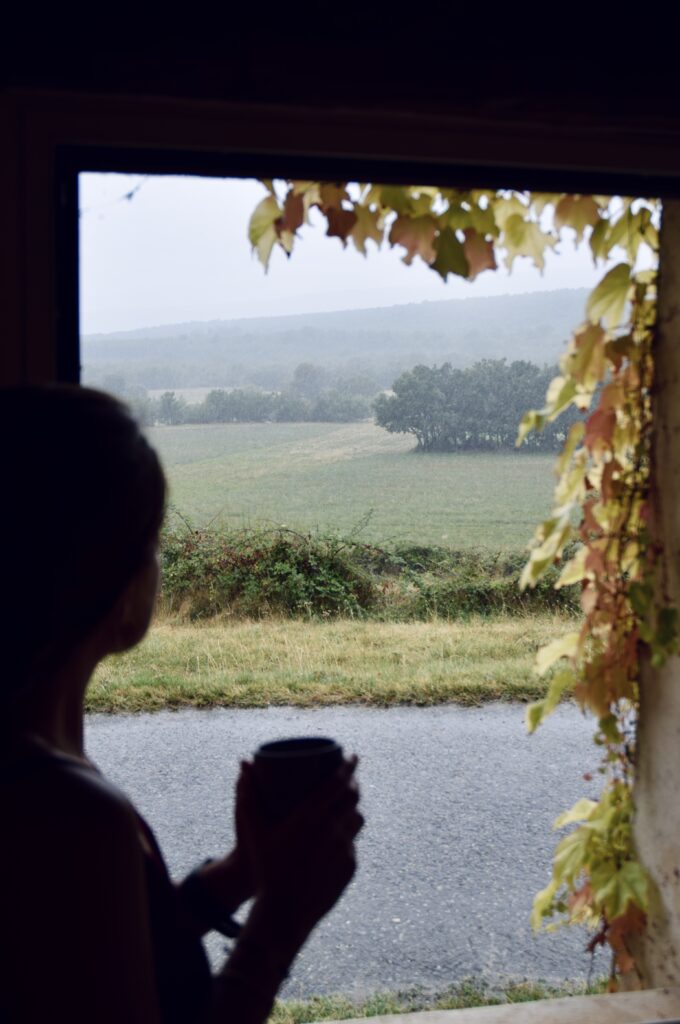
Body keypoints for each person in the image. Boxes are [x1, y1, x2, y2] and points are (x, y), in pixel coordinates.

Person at [0, 384, 363, 1023]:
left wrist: (239, 873)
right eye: (152, 541)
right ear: (106, 577)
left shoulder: (31, 761)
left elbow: (92, 959)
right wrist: (280, 921)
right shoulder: (71, 815)